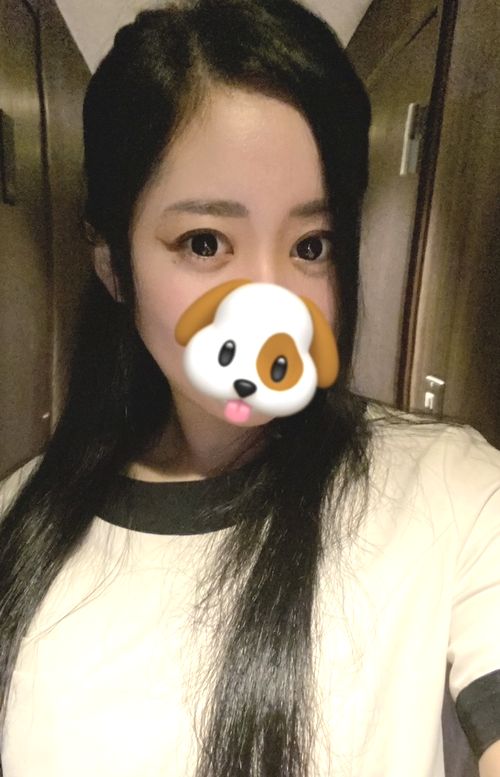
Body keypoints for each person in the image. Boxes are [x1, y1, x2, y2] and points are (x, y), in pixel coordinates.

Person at [0, 0, 499, 775]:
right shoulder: (17, 519)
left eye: (312, 244)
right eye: (205, 242)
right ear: (114, 267)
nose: (274, 306)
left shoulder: (454, 490)